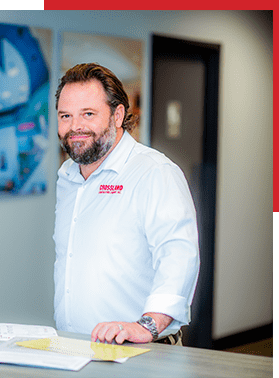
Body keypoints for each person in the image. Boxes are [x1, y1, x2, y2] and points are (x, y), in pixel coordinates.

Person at [53, 63, 200, 345]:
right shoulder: (67, 177)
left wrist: (148, 326)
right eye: (66, 116)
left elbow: (179, 255)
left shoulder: (154, 172)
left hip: (140, 351)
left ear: (117, 115)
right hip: (76, 349)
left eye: (88, 114)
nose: (75, 127)